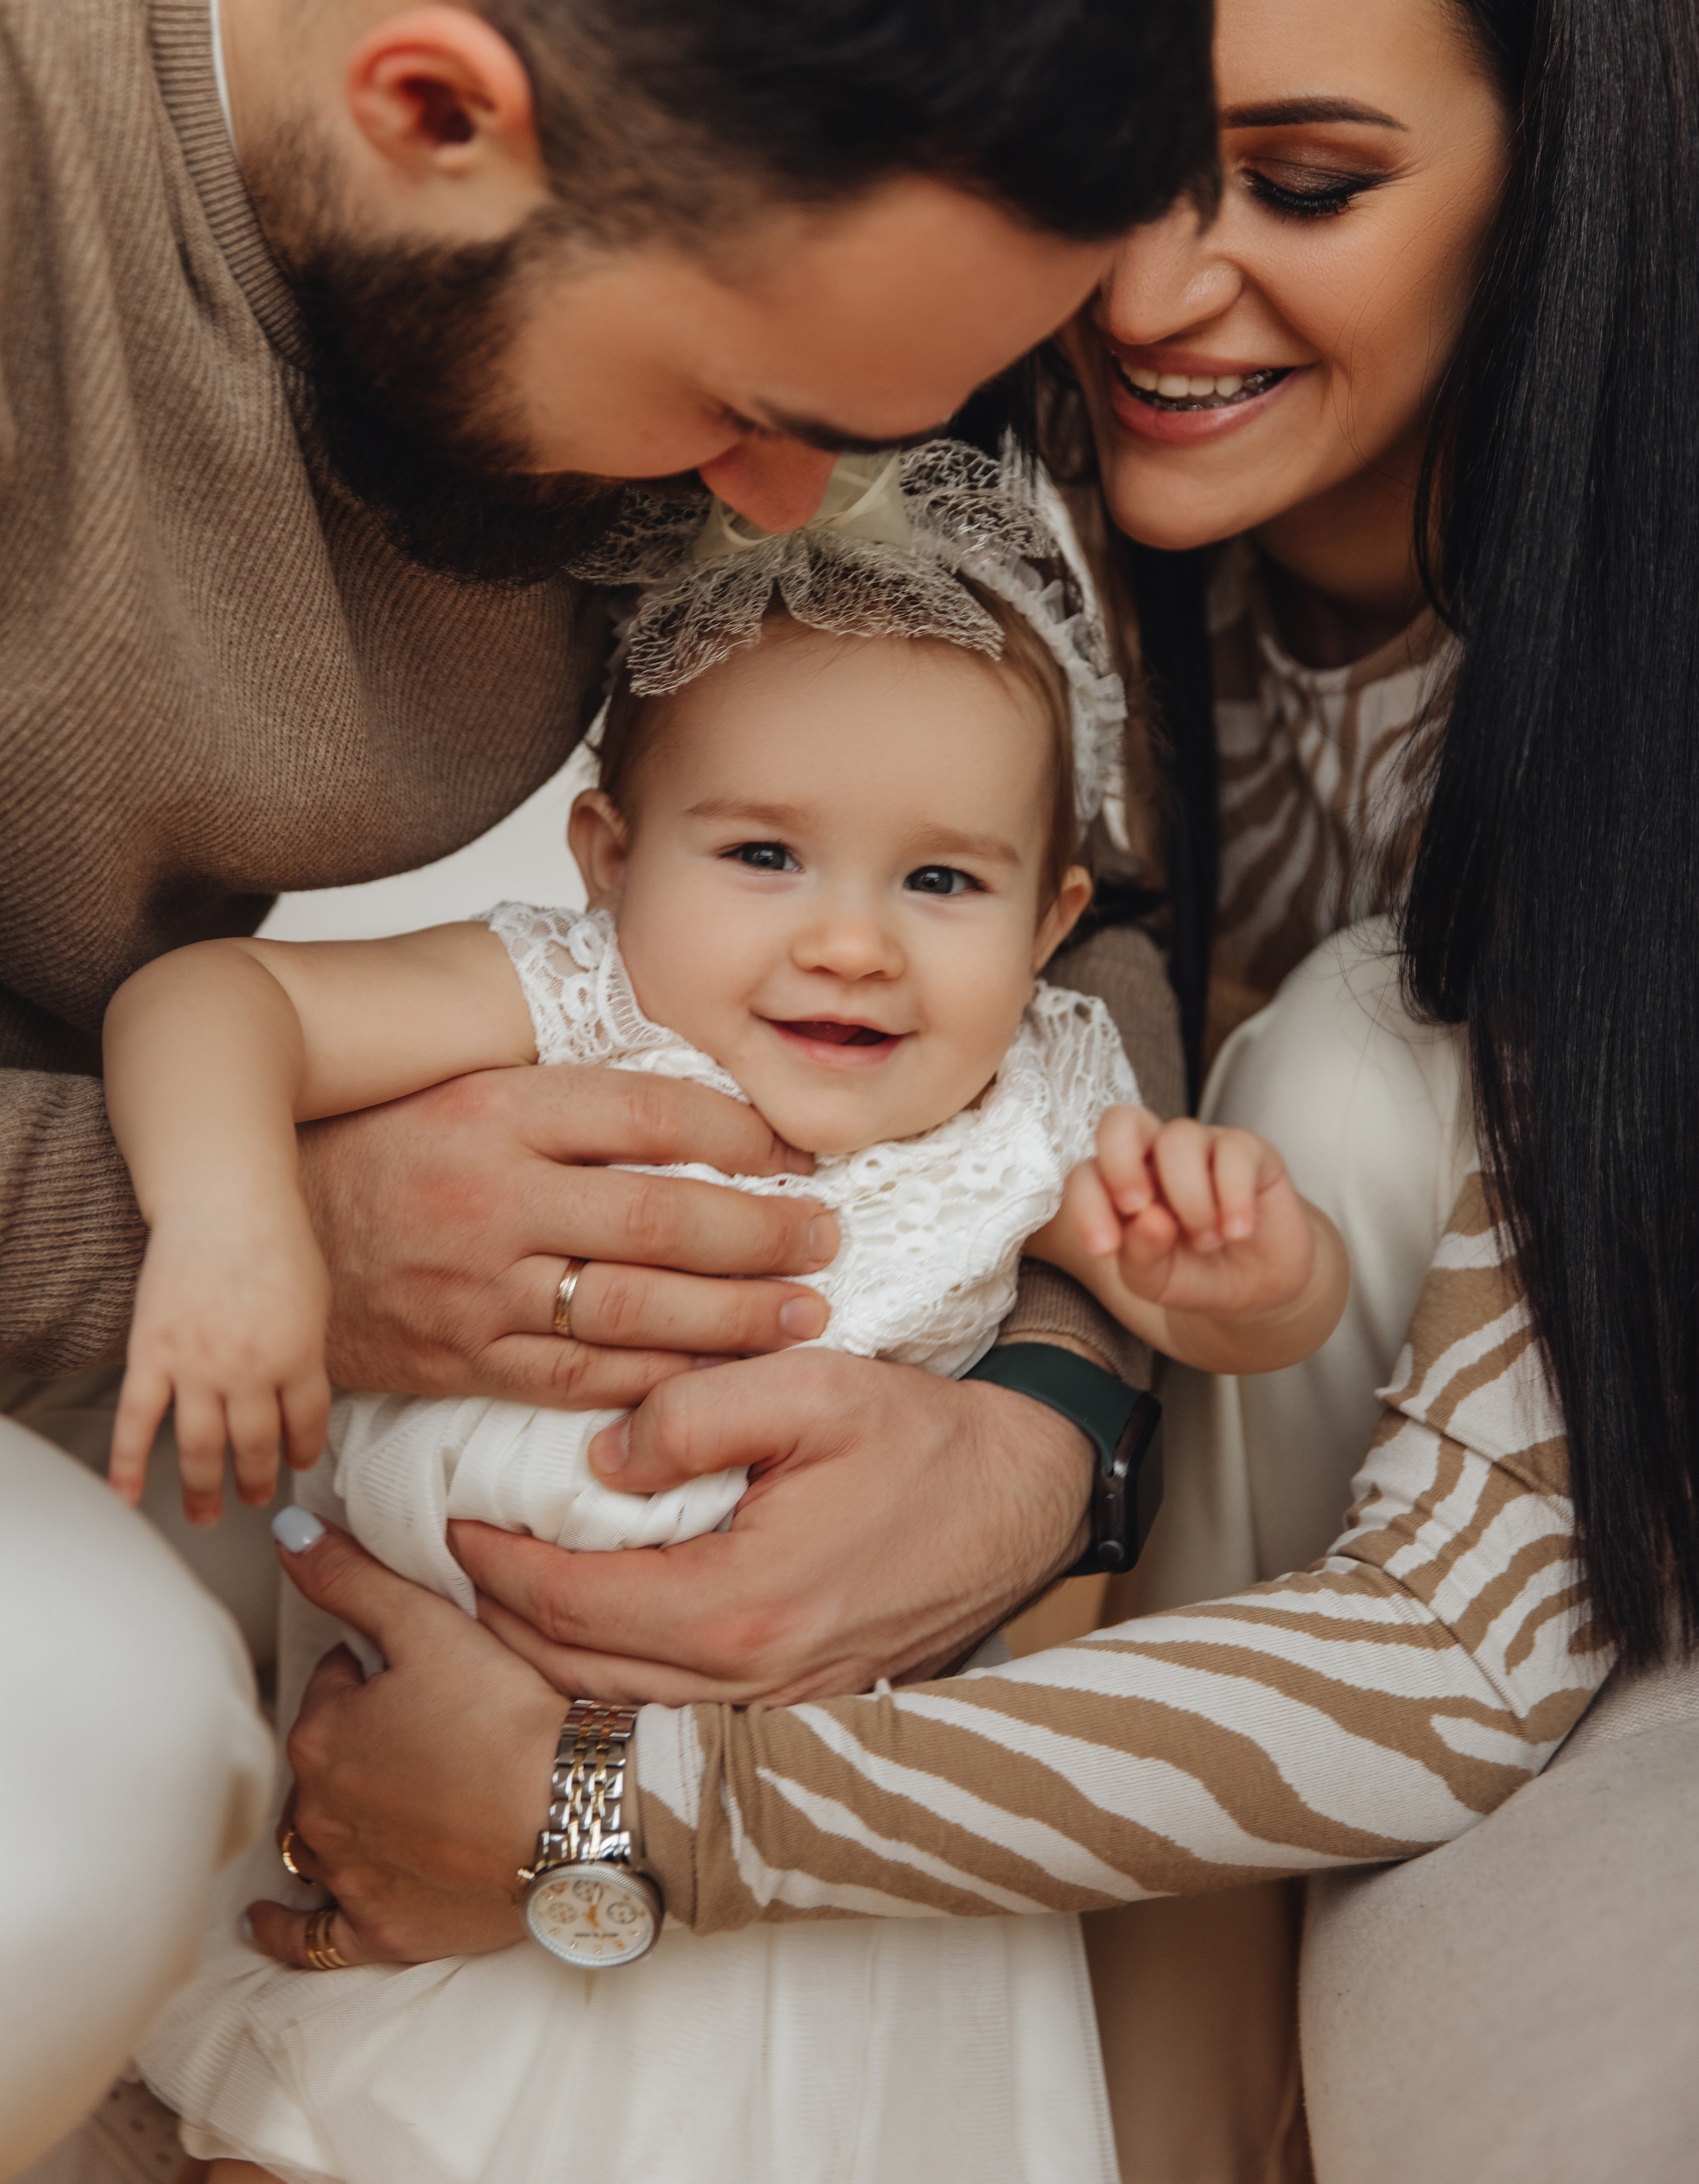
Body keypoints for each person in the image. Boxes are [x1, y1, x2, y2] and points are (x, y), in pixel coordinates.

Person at [254, 0, 1699, 2183]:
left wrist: (620, 1813)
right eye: (1135, 166)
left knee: (1354, 1066)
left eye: (1316, 184)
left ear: (1568, 162)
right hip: (1209, 1594)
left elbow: (1465, 1645)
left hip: (1574, 1604)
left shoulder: (1633, 678)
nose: (1155, 295)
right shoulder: (956, 494)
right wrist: (1049, 1407)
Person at [0, 0, 1219, 2153]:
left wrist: (1038, 1433)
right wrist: (244, 1236)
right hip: (166, 1323)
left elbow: (1053, 893)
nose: (784, 520)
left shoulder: (800, 153)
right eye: (744, 414)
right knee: (84, 1794)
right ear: (433, 108)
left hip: (303, 1419)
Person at [122, 450, 1346, 2184]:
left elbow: (1209, 1322)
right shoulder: (574, 997)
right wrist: (241, 1215)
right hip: (438, 1712)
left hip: (805, 1832)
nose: (851, 944)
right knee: (354, 2121)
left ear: (1053, 921)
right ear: (609, 857)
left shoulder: (1024, 1103)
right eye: (766, 853)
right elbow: (213, 999)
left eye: (942, 884)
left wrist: (1261, 1280)